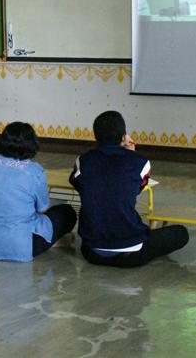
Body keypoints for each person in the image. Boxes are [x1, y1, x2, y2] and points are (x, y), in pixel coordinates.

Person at [70, 111, 188, 268]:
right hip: (131, 255)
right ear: (124, 136)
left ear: (95, 136)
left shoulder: (83, 161)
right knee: (181, 233)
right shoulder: (140, 162)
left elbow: (77, 183)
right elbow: (135, 188)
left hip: (91, 252)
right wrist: (130, 152)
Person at [0, 122, 77, 262]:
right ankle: (54, 240)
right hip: (18, 246)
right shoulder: (34, 170)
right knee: (67, 212)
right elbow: (42, 209)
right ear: (32, 143)